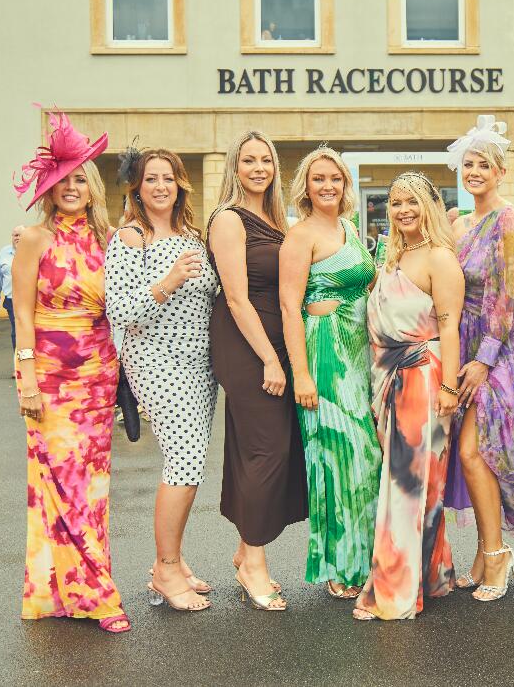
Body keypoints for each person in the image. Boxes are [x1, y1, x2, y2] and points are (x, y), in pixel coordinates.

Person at [13, 110, 129, 633]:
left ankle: (68, 591)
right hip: (53, 380)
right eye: (63, 180)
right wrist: (28, 379)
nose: (72, 187)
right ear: (50, 188)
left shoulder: (109, 241)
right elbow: (21, 316)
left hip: (99, 377)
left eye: (80, 178)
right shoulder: (34, 240)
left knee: (92, 488)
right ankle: (98, 596)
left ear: (92, 186)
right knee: (62, 484)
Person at [105, 148, 217, 612]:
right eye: (151, 179)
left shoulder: (192, 233)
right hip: (157, 361)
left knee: (191, 462)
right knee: (184, 462)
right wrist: (168, 279)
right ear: (137, 187)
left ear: (180, 184)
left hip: (200, 363)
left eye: (168, 178)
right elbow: (122, 312)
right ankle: (164, 569)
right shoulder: (131, 238)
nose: (160, 186)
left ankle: (173, 559)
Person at [353, 172, 463, 621]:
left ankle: (394, 593)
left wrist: (450, 388)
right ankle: (432, 574)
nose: (402, 211)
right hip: (389, 380)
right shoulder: (392, 255)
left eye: (412, 202)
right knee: (417, 485)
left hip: (423, 379)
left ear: (429, 206)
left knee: (407, 487)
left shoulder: (440, 258)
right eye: (396, 202)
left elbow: (450, 326)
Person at [207, 131, 308, 611]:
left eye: (265, 159)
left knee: (265, 450)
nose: (258, 168)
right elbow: (236, 297)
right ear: (235, 166)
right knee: (266, 450)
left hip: (279, 341)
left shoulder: (277, 219)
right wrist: (269, 357)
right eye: (248, 160)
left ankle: (246, 551)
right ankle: (255, 564)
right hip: (248, 345)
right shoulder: (229, 219)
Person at [443, 115, 514, 602]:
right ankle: (485, 551)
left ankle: (498, 554)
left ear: (501, 172)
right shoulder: (459, 222)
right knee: (468, 455)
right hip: (460, 344)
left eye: (484, 164)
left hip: (498, 350)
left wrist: (482, 360)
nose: (474, 171)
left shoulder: (512, 221)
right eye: (469, 163)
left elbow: (510, 297)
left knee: (474, 451)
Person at [279, 147, 382, 599]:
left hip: (361, 352)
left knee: (370, 458)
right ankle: (340, 565)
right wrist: (300, 373)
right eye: (319, 178)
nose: (328, 186)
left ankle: (369, 558)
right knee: (340, 455)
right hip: (325, 354)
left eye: (336, 179)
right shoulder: (299, 236)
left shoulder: (350, 228)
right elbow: (288, 306)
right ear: (306, 185)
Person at [0, 225, 25, 363]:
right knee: (17, 332)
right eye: (15, 235)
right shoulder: (4, 253)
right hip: (12, 300)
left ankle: (34, 364)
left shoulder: (33, 251)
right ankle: (19, 364)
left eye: (20, 235)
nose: (17, 238)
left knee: (33, 331)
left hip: (33, 300)